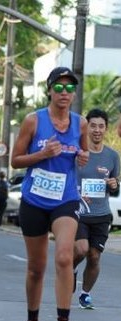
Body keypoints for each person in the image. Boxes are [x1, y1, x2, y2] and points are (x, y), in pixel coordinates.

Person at [11, 66, 89, 321]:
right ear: (50, 90)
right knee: (36, 268)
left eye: (70, 88)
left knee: (66, 257)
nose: (65, 93)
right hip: (34, 200)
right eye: (60, 87)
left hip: (64, 198)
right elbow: (15, 161)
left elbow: (82, 154)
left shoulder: (80, 124)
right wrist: (41, 155)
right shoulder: (33, 121)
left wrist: (82, 158)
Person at [73, 108, 120, 309]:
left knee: (94, 256)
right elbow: (67, 181)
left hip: (101, 215)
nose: (97, 130)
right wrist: (77, 194)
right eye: (93, 126)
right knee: (82, 250)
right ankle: (71, 269)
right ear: (87, 128)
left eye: (101, 126)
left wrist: (114, 185)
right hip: (79, 213)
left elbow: (115, 187)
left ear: (106, 129)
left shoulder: (112, 156)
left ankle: (85, 293)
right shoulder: (78, 153)